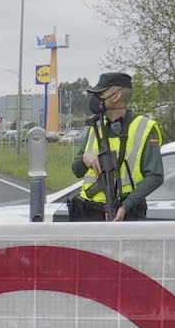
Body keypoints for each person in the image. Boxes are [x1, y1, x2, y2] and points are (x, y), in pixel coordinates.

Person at [68, 72, 164, 221]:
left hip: (124, 213)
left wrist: (126, 205)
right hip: (89, 213)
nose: (96, 99)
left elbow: (156, 176)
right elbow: (76, 170)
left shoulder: (144, 128)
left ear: (116, 96)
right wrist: (85, 158)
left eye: (101, 93)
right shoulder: (96, 127)